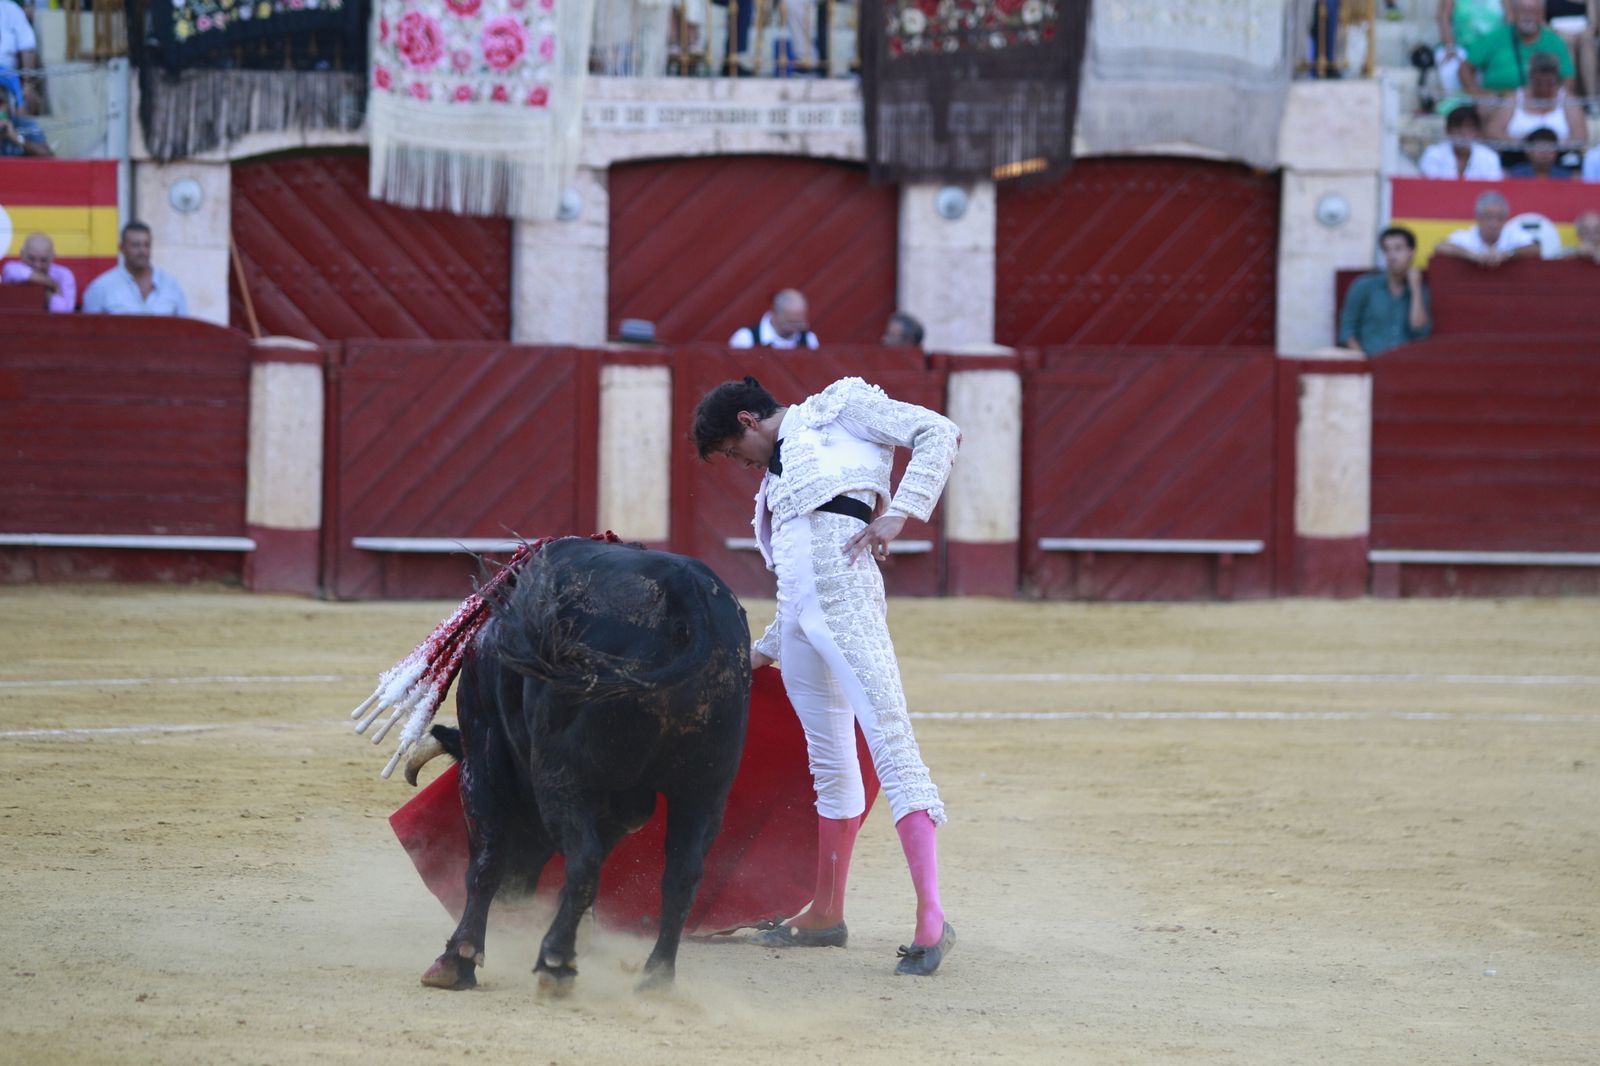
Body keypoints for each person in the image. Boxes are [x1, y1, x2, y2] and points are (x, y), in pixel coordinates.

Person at [691, 374, 959, 976]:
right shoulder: (777, 480)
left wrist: (902, 515)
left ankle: (931, 918)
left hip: (852, 609)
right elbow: (799, 581)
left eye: (736, 453)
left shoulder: (840, 410)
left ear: (747, 421)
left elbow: (937, 430)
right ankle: (827, 913)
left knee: (893, 746)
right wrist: (761, 650)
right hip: (802, 628)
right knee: (830, 764)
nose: (741, 466)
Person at [1338, 227, 1432, 356]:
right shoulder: (1364, 285)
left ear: (1411, 252)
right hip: (1369, 360)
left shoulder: (1420, 290)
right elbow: (1347, 331)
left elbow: (1420, 331)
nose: (1392, 256)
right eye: (1387, 250)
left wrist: (1415, 289)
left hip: (1405, 364)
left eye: (1398, 249)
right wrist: (1363, 361)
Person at [1462, 0, 1575, 94]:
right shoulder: (1497, 36)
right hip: (1499, 103)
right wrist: (1479, 94)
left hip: (1541, 104)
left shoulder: (1554, 41)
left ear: (1541, 14)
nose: (1527, 16)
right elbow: (1465, 69)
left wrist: (1556, 102)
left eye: (1532, 11)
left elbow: (1568, 78)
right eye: (1523, 11)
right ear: (1514, 13)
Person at [1483, 51, 1586, 150]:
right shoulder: (1514, 98)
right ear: (1531, 79)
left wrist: (1551, 150)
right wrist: (1525, 147)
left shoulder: (1568, 100)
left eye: (1549, 84)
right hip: (1518, 159)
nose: (1544, 88)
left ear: (1557, 80)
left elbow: (1580, 136)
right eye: (1539, 83)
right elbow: (1492, 131)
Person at [82, 222, 190, 316]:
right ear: (122, 248)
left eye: (146, 245)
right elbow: (88, 333)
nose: (142, 251)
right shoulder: (101, 287)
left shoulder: (171, 285)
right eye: (135, 245)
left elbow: (185, 330)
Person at [1434, 190, 1543, 264]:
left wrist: (1507, 254)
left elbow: (1535, 249)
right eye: (1489, 217)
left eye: (1499, 218)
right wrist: (1471, 255)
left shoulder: (1512, 234)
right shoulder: (1468, 236)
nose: (1494, 224)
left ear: (1506, 219)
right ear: (1478, 217)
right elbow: (1439, 247)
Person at [1436, 0, 1512, 94]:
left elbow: (1510, 20)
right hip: (1461, 47)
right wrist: (1450, 46)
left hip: (1492, 49)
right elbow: (1444, 17)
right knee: (1451, 69)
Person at [1418, 104, 1506, 178]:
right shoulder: (1433, 154)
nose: (1463, 133)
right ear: (1447, 130)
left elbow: (1491, 191)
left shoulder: (1489, 157)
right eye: (1457, 127)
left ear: (1477, 132)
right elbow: (1430, 188)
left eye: (1469, 128)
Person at [1, 232, 75, 311]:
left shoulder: (63, 275)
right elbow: (14, 272)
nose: (37, 265)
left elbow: (64, 312)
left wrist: (45, 293)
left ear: (52, 257)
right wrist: (52, 284)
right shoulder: (12, 268)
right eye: (31, 259)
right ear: (22, 254)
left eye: (43, 260)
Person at [729, 288, 819, 349]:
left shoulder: (809, 340)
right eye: (790, 322)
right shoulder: (746, 338)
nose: (795, 328)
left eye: (799, 323)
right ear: (775, 312)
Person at [0, 0, 40, 114]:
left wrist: (28, 84)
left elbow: (28, 46)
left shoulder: (10, 9)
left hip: (8, 76)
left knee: (24, 99)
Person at [0, 81, 48, 157]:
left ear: (9, 105)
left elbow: (49, 156)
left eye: (0, 103)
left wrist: (17, 138)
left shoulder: (24, 124)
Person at [1507, 126, 1577, 176]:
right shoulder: (1514, 175)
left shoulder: (1567, 177)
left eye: (1549, 149)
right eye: (1539, 148)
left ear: (1556, 152)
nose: (1544, 153)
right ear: (1528, 151)